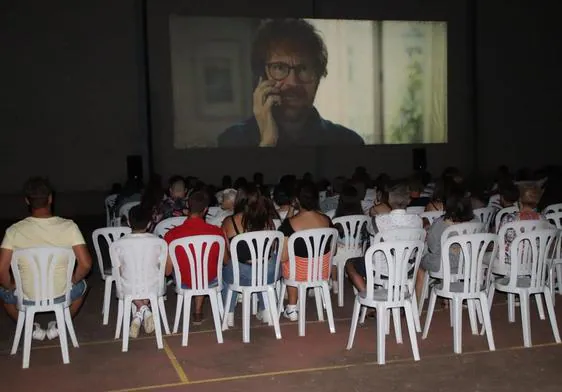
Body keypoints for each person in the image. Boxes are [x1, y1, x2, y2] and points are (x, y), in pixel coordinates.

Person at [217, 19, 364, 147]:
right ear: (262, 76)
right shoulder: (232, 140)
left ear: (318, 77)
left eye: (304, 68)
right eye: (280, 68)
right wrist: (267, 143)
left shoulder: (349, 142)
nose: (293, 82)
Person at [0, 177, 92, 340]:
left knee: (4, 293)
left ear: (27, 201)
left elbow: (1, 270)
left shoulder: (13, 231)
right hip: (61, 292)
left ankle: (32, 330)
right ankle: (59, 326)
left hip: (26, 295)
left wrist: (10, 286)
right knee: (83, 286)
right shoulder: (69, 227)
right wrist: (73, 280)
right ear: (50, 198)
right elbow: (86, 264)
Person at [164, 190, 227, 324]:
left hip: (184, 282)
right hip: (210, 280)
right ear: (205, 210)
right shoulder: (217, 232)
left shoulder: (172, 235)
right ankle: (198, 312)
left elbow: (167, 271)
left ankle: (196, 311)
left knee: (191, 270)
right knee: (203, 270)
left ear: (188, 206)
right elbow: (225, 260)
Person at [221, 185, 278, 326]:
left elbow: (225, 253)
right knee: (263, 266)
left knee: (228, 270)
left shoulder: (229, 222)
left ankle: (228, 313)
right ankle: (266, 310)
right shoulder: (268, 221)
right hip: (269, 273)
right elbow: (272, 249)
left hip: (242, 275)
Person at [278, 182, 334, 321]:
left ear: (296, 201)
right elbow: (334, 249)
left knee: (286, 261)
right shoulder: (326, 220)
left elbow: (283, 257)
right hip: (321, 271)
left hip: (298, 273)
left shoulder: (289, 224)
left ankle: (292, 307)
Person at [115, 206, 172, 338]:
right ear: (149, 223)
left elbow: (118, 271)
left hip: (128, 287)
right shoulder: (159, 242)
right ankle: (145, 310)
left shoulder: (119, 244)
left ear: (128, 223)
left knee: (131, 284)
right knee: (149, 282)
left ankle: (140, 313)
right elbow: (168, 271)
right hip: (153, 286)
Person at [414, 185, 478, 298]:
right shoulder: (476, 221)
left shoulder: (440, 223)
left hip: (443, 264)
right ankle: (447, 298)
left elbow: (432, 247)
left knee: (420, 266)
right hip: (468, 264)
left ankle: (418, 305)